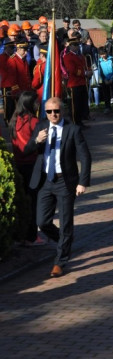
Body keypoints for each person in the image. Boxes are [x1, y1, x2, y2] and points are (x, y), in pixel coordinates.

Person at [23, 97, 92, 277]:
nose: (53, 114)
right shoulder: (41, 127)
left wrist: (82, 182)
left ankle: (60, 262)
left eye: (56, 111)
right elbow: (26, 150)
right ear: (45, 112)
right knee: (42, 222)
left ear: (62, 111)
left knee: (66, 221)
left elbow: (85, 157)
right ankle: (64, 241)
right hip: (45, 181)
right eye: (49, 111)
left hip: (65, 182)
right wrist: (37, 140)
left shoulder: (73, 130)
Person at [9, 91, 45, 245]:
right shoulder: (34, 122)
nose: (38, 104)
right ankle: (32, 236)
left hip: (18, 163)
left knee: (23, 199)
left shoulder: (13, 120)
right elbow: (38, 145)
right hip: (32, 163)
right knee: (33, 200)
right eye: (36, 102)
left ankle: (22, 234)